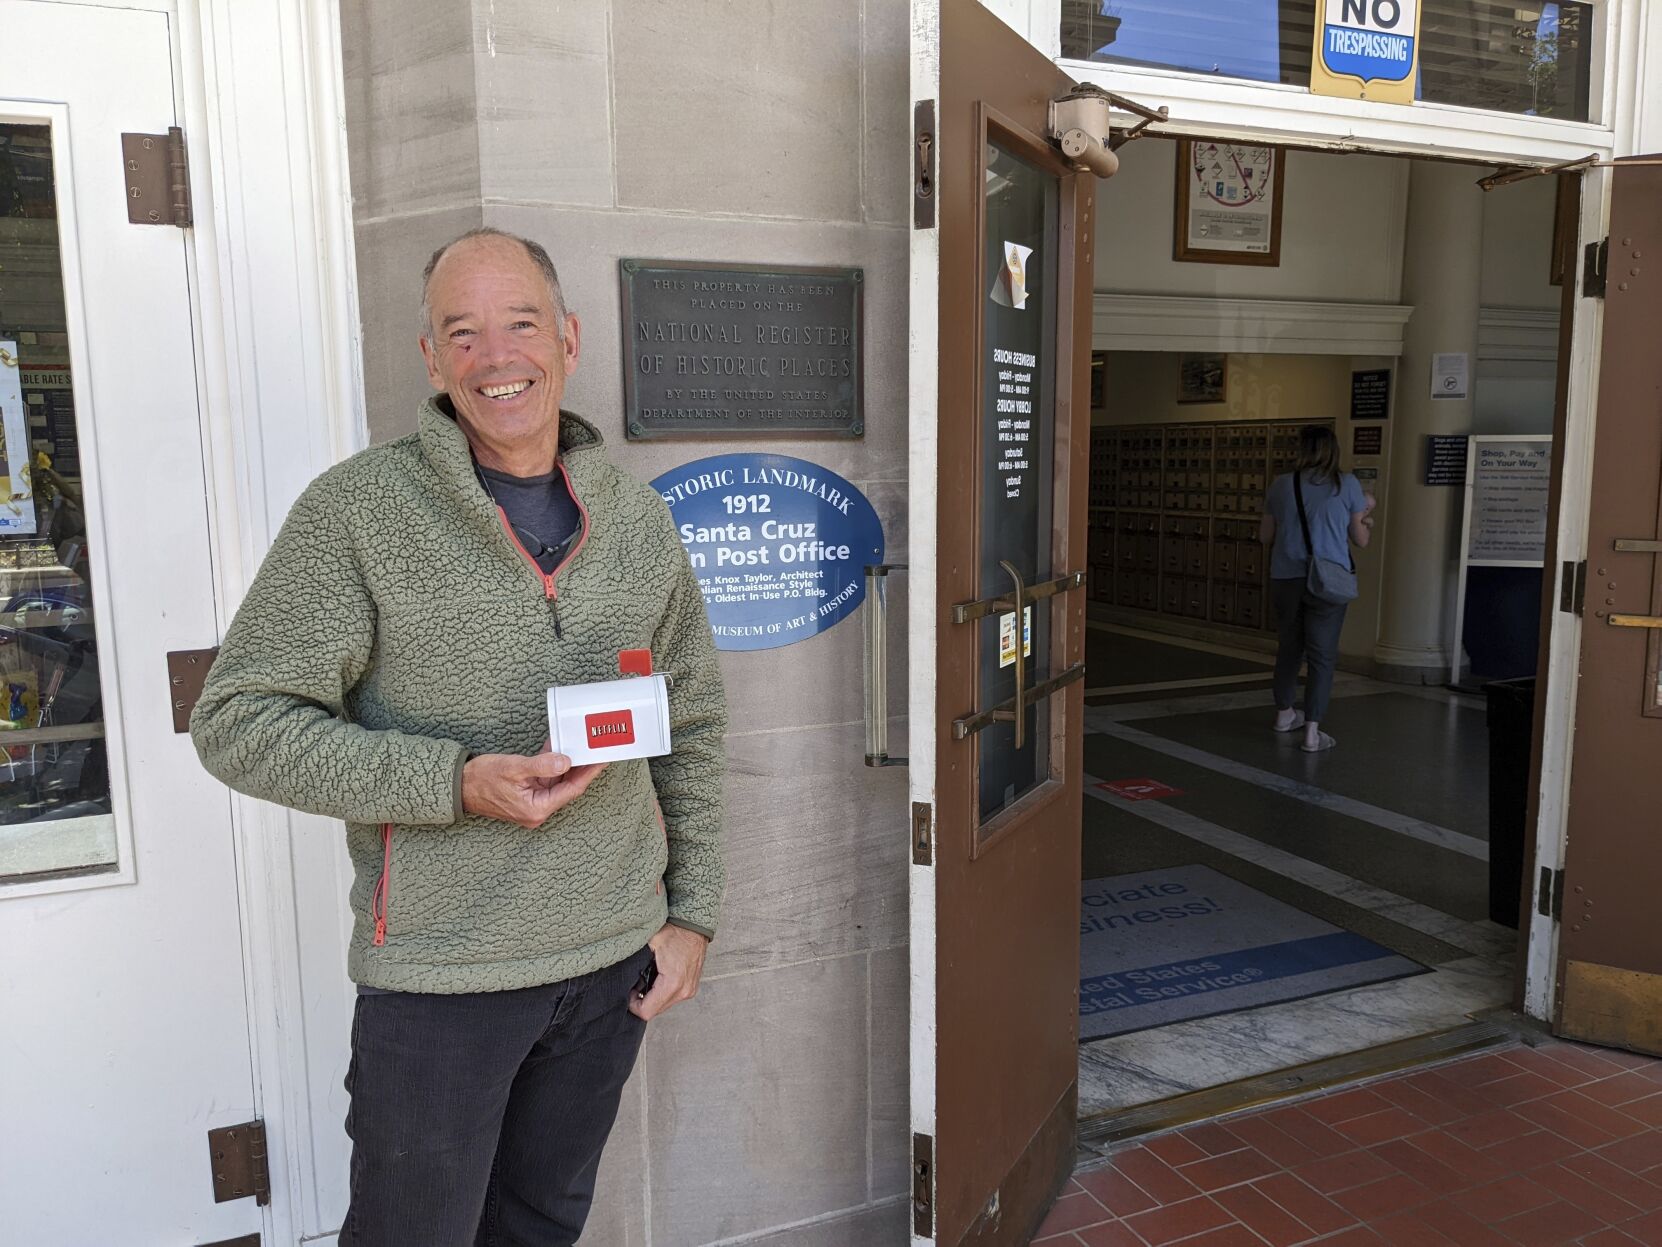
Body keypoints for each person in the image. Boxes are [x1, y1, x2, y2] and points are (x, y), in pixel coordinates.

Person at [190, 227, 727, 1246]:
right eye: (462, 332)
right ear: (432, 359)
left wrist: (693, 912)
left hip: (611, 959)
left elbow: (691, 720)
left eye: (520, 323)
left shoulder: (638, 519)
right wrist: (452, 781)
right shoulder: (357, 513)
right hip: (441, 982)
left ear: (566, 339)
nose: (496, 355)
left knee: (538, 1225)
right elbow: (237, 722)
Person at [1259, 424, 1374, 754]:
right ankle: (1312, 734)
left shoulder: (1281, 484)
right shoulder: (1347, 484)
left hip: (1286, 578)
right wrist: (1366, 522)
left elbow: (1265, 536)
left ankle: (1284, 715)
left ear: (1301, 449)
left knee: (1289, 649)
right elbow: (1361, 541)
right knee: (1322, 657)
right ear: (1333, 449)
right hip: (1327, 580)